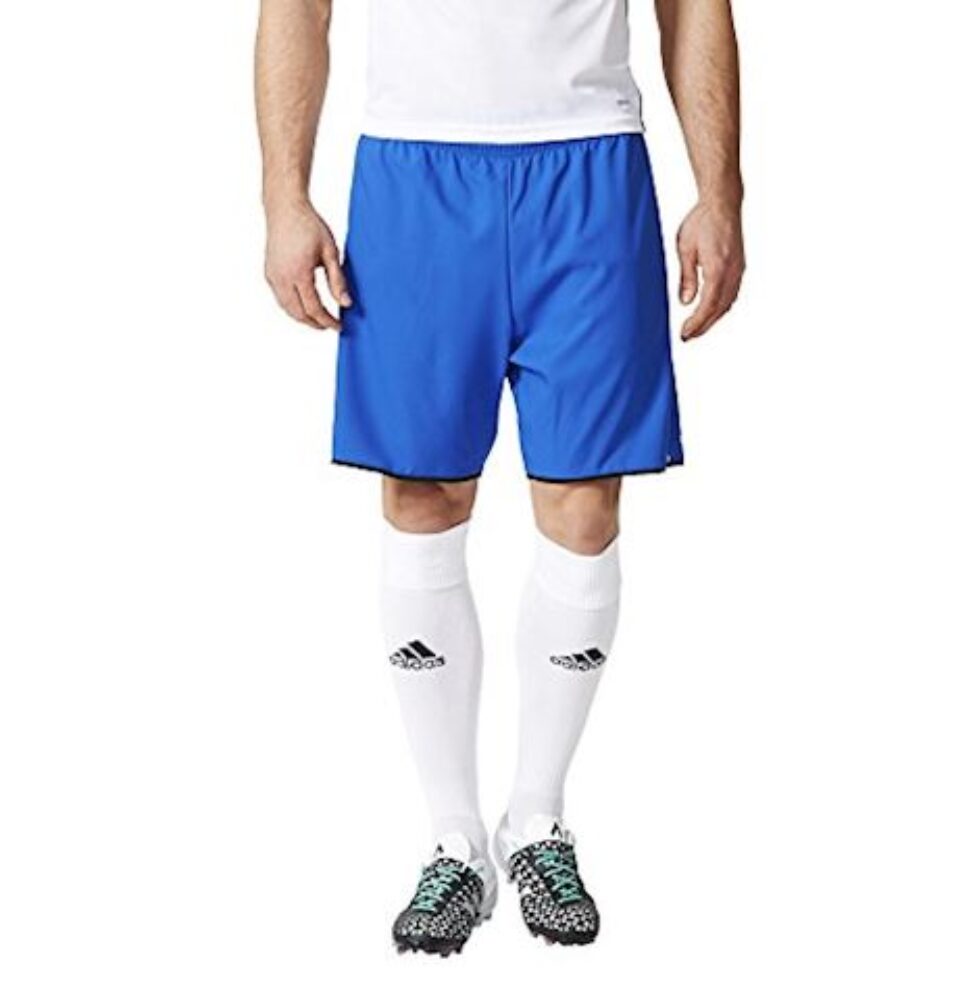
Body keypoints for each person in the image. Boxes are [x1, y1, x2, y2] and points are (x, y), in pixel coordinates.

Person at [255, 0, 745, 956]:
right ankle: (454, 840)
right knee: (421, 497)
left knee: (585, 505)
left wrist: (720, 192)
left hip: (590, 161)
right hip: (415, 164)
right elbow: (297, 7)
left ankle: (537, 817)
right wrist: (284, 198)